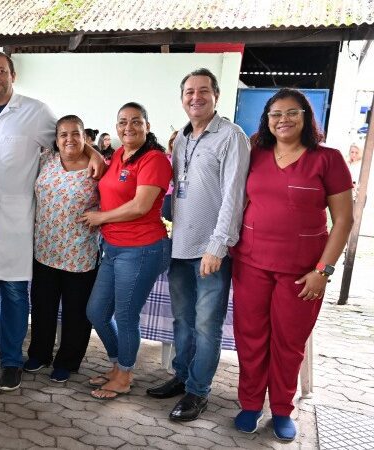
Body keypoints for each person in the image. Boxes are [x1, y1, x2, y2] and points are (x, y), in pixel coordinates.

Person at [0, 51, 105, 391]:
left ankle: (11, 359)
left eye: (2, 71)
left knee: (13, 288)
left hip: (17, 218)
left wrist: (94, 152)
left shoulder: (35, 111)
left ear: (13, 75)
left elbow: (69, 137)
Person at [231, 88, 353, 441]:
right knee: (251, 338)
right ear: (267, 120)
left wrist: (323, 271)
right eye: (275, 114)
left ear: (306, 117)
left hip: (302, 274)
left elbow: (343, 220)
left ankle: (283, 408)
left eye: (291, 112)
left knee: (289, 342)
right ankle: (251, 403)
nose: (283, 119)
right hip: (251, 263)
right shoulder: (255, 154)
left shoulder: (327, 159)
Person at [146, 68, 250, 422]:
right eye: (189, 92)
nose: (195, 97)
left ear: (216, 96)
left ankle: (198, 391)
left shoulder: (232, 137)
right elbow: (178, 190)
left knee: (207, 325)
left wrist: (217, 246)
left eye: (203, 91)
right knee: (182, 321)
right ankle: (181, 375)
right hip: (181, 246)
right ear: (182, 98)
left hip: (211, 251)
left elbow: (234, 198)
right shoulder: (183, 140)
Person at [81, 102, 172, 399]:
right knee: (96, 311)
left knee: (126, 315)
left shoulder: (154, 159)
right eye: (122, 122)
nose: (128, 127)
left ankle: (124, 376)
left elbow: (140, 206)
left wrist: (100, 218)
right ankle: (117, 365)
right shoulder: (120, 153)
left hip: (142, 248)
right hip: (114, 246)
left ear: (147, 125)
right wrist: (92, 150)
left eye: (136, 122)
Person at [24, 115, 99, 383]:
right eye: (63, 134)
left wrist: (95, 154)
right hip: (45, 249)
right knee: (42, 306)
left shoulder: (96, 169)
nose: (70, 139)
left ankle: (67, 360)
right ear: (56, 140)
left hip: (79, 253)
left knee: (76, 313)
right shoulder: (47, 160)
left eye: (76, 133)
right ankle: (39, 354)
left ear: (85, 137)